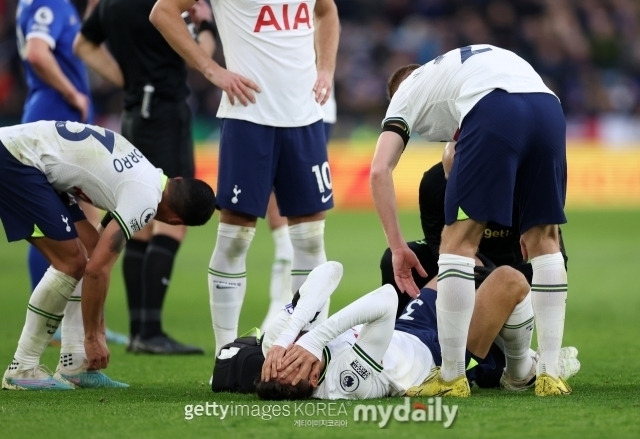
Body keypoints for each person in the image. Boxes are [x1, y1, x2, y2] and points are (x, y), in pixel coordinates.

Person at [369, 44, 569, 397]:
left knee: (457, 244)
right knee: (546, 240)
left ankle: (451, 377)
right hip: (548, 105)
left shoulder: (408, 93)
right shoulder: (455, 68)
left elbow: (379, 170)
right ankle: (550, 375)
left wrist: (397, 246)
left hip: (494, 108)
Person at [149, 0, 340, 355]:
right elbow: (162, 11)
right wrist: (212, 70)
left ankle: (307, 352)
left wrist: (326, 68)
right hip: (248, 119)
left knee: (312, 241)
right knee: (235, 238)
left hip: (305, 118)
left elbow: (326, 11)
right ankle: (225, 355)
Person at [0, 120, 216, 390]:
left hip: (25, 153)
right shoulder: (146, 199)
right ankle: (22, 367)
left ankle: (74, 366)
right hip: (17, 159)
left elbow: (97, 250)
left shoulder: (147, 173)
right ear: (174, 221)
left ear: (178, 179)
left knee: (87, 253)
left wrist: (98, 323)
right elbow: (97, 271)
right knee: (71, 262)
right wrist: (94, 336)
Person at [73, 0, 216, 355]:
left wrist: (129, 80)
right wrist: (206, 25)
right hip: (165, 112)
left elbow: (83, 45)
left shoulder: (109, 4)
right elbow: (197, 57)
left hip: (137, 108)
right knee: (171, 220)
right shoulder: (161, 5)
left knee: (142, 220)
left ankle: (141, 331)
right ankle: (149, 330)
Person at [254, 261, 579, 400]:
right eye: (296, 364)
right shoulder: (344, 383)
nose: (292, 355)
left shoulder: (281, 344)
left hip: (408, 331)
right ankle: (523, 370)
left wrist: (288, 334)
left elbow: (330, 271)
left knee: (462, 265)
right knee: (509, 280)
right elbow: (385, 298)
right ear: (313, 381)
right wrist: (315, 338)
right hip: (438, 362)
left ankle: (516, 354)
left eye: (283, 359)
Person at [380, 142, 568, 318]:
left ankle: (521, 348)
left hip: (510, 265)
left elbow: (557, 260)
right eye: (452, 178)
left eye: (467, 177)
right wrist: (468, 266)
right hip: (458, 254)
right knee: (395, 259)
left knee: (527, 276)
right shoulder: (434, 183)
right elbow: (436, 242)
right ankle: (398, 336)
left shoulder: (526, 184)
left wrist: (499, 276)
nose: (458, 188)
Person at [260, 88, 337, 332]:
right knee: (273, 186)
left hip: (312, 106)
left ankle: (307, 322)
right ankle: (282, 301)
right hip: (268, 105)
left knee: (309, 227)